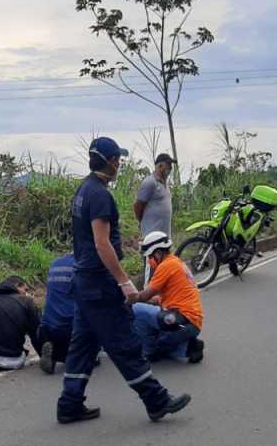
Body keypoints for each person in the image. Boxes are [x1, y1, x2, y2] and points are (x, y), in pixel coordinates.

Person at [57, 137, 191, 424]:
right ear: (111, 161)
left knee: (83, 346)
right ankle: (156, 401)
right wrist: (124, 281)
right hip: (100, 285)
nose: (119, 165)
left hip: (83, 284)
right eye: (118, 159)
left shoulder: (83, 190)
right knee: (124, 343)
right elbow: (101, 243)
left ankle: (69, 404)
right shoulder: (100, 196)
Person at [127, 231, 205, 364]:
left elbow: (144, 295)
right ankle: (188, 348)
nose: (149, 260)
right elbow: (162, 297)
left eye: (150, 256)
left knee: (136, 308)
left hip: (180, 322)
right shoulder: (177, 262)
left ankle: (148, 351)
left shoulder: (166, 266)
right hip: (190, 323)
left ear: (158, 253)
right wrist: (152, 300)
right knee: (161, 335)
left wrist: (127, 298)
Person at [134, 153, 176, 285]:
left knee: (162, 272)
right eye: (168, 166)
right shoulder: (149, 183)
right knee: (151, 272)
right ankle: (145, 300)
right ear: (160, 165)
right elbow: (138, 205)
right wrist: (141, 221)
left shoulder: (164, 183)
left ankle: (159, 301)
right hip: (152, 238)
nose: (170, 169)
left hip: (164, 238)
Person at [38, 254, 76, 375]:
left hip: (47, 325)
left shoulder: (55, 264)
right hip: (71, 325)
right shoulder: (83, 264)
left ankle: (53, 355)